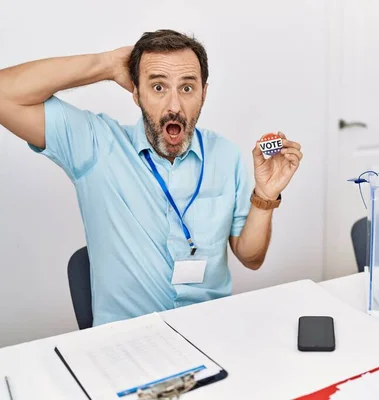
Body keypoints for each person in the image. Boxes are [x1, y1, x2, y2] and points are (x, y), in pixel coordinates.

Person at [0, 29, 303, 326]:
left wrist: (265, 195)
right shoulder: (94, 145)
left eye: (187, 88)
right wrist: (105, 64)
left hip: (211, 332)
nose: (174, 106)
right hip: (127, 341)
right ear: (136, 92)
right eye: (158, 87)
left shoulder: (226, 155)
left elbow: (251, 258)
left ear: (204, 93)